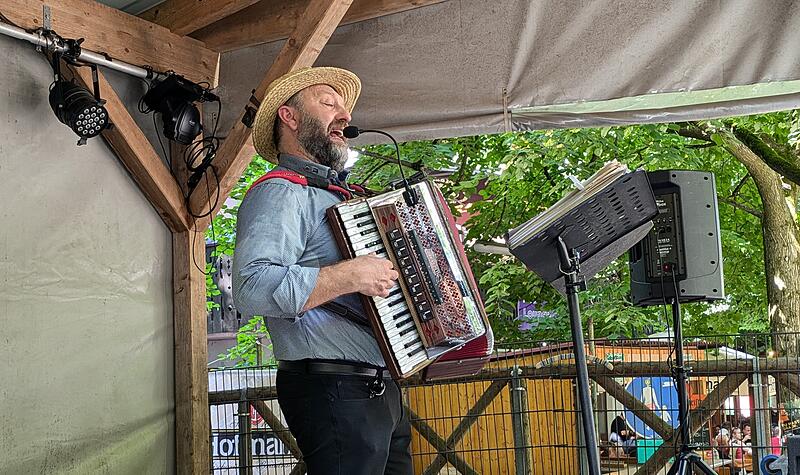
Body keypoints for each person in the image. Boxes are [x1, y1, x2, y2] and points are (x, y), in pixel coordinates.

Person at [233, 67, 411, 474]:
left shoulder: (333, 196)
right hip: (334, 386)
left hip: (377, 388)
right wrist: (349, 276)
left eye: (344, 106)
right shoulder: (280, 191)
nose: (344, 114)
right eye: (328, 102)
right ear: (289, 116)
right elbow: (251, 286)